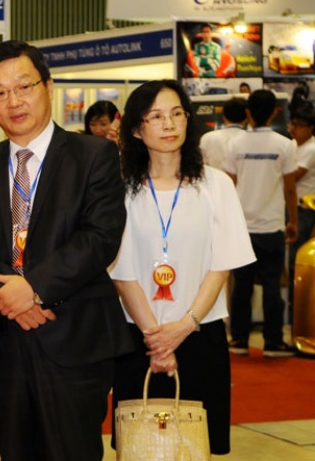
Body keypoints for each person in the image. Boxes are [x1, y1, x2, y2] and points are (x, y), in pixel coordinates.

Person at [0, 40, 132, 460]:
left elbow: (100, 236)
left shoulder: (94, 155)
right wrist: (12, 297)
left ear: (48, 86)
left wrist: (32, 288)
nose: (13, 101)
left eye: (24, 86)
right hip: (4, 338)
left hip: (73, 335)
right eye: (0, 92)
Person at [109, 80, 255, 455]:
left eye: (177, 113)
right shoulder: (120, 189)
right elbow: (121, 273)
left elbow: (221, 266)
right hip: (138, 337)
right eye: (156, 116)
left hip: (200, 335)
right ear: (136, 129)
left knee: (196, 447)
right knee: (138, 447)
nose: (169, 123)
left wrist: (184, 326)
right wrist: (157, 341)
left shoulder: (216, 184)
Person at [222, 89, 297, 357]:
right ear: (275, 112)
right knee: (272, 285)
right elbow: (290, 188)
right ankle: (273, 341)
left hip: (242, 227)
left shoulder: (235, 145)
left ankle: (239, 339)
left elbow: (229, 186)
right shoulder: (285, 145)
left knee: (241, 286)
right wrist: (293, 221)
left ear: (248, 113)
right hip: (272, 226)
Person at [286, 101, 315, 325]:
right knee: (291, 264)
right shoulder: (293, 145)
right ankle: (294, 317)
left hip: (304, 211)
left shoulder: (311, 148)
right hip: (292, 208)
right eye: (292, 123)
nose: (292, 129)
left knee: (297, 264)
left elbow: (293, 177)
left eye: (298, 125)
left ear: (310, 128)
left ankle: (299, 319)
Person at [199, 96, 248, 170]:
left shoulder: (207, 138)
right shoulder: (251, 139)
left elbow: (202, 167)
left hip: (215, 177)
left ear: (224, 117)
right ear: (247, 117)